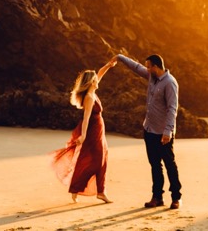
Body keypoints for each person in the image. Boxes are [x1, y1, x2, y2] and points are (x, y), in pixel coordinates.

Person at [113, 52, 182, 209]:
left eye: (149, 66)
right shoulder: (152, 76)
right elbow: (136, 67)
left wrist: (168, 131)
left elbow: (172, 108)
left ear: (156, 67)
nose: (147, 69)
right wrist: (120, 57)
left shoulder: (170, 83)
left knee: (170, 164)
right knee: (155, 165)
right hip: (149, 129)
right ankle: (157, 197)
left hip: (163, 132)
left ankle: (176, 197)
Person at [50, 58, 117, 203]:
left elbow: (99, 74)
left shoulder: (92, 91)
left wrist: (108, 65)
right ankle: (78, 187)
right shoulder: (89, 97)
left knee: (103, 159)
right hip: (93, 131)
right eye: (95, 80)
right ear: (92, 82)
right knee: (96, 161)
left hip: (99, 130)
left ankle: (100, 192)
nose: (98, 81)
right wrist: (84, 135)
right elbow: (86, 118)